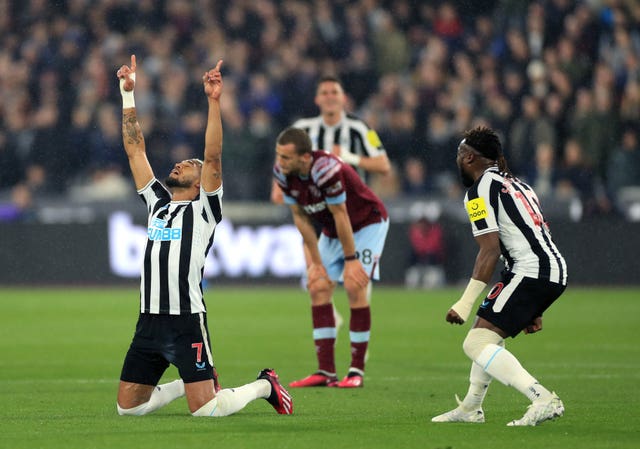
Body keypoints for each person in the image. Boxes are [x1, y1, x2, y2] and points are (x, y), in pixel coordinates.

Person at [115, 55, 293, 417]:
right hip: (148, 318)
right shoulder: (157, 204)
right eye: (180, 162)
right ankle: (188, 381)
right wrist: (127, 95)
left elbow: (213, 157)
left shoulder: (204, 210)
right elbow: (135, 149)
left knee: (206, 410)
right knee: (128, 410)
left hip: (185, 319)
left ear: (200, 183)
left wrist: (214, 102)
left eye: (189, 165)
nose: (179, 164)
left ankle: (264, 385)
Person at [431, 126, 568, 426]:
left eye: (458, 156)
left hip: (529, 271)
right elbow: (536, 232)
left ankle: (542, 398)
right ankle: (471, 408)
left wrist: (464, 303)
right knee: (487, 334)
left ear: (468, 158)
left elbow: (489, 251)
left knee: (475, 343)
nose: (457, 162)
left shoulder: (479, 191)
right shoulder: (520, 184)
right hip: (549, 268)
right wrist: (536, 305)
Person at [273, 127, 389, 388]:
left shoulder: (326, 171)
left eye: (286, 157)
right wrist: (315, 263)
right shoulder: (282, 173)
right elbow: (301, 217)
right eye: (278, 155)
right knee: (317, 286)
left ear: (305, 158)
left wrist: (351, 260)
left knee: (354, 285)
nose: (280, 162)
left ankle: (356, 372)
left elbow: (341, 214)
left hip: (367, 222)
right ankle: (325, 371)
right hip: (333, 230)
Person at [270, 76, 391, 326]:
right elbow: (282, 157)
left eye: (334, 91)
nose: (329, 96)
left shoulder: (360, 128)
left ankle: (356, 329)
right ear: (317, 99)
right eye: (323, 92)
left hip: (350, 209)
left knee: (355, 282)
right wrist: (277, 187)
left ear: (343, 98)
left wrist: (349, 158)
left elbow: (383, 165)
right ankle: (331, 317)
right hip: (313, 208)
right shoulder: (303, 127)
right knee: (314, 277)